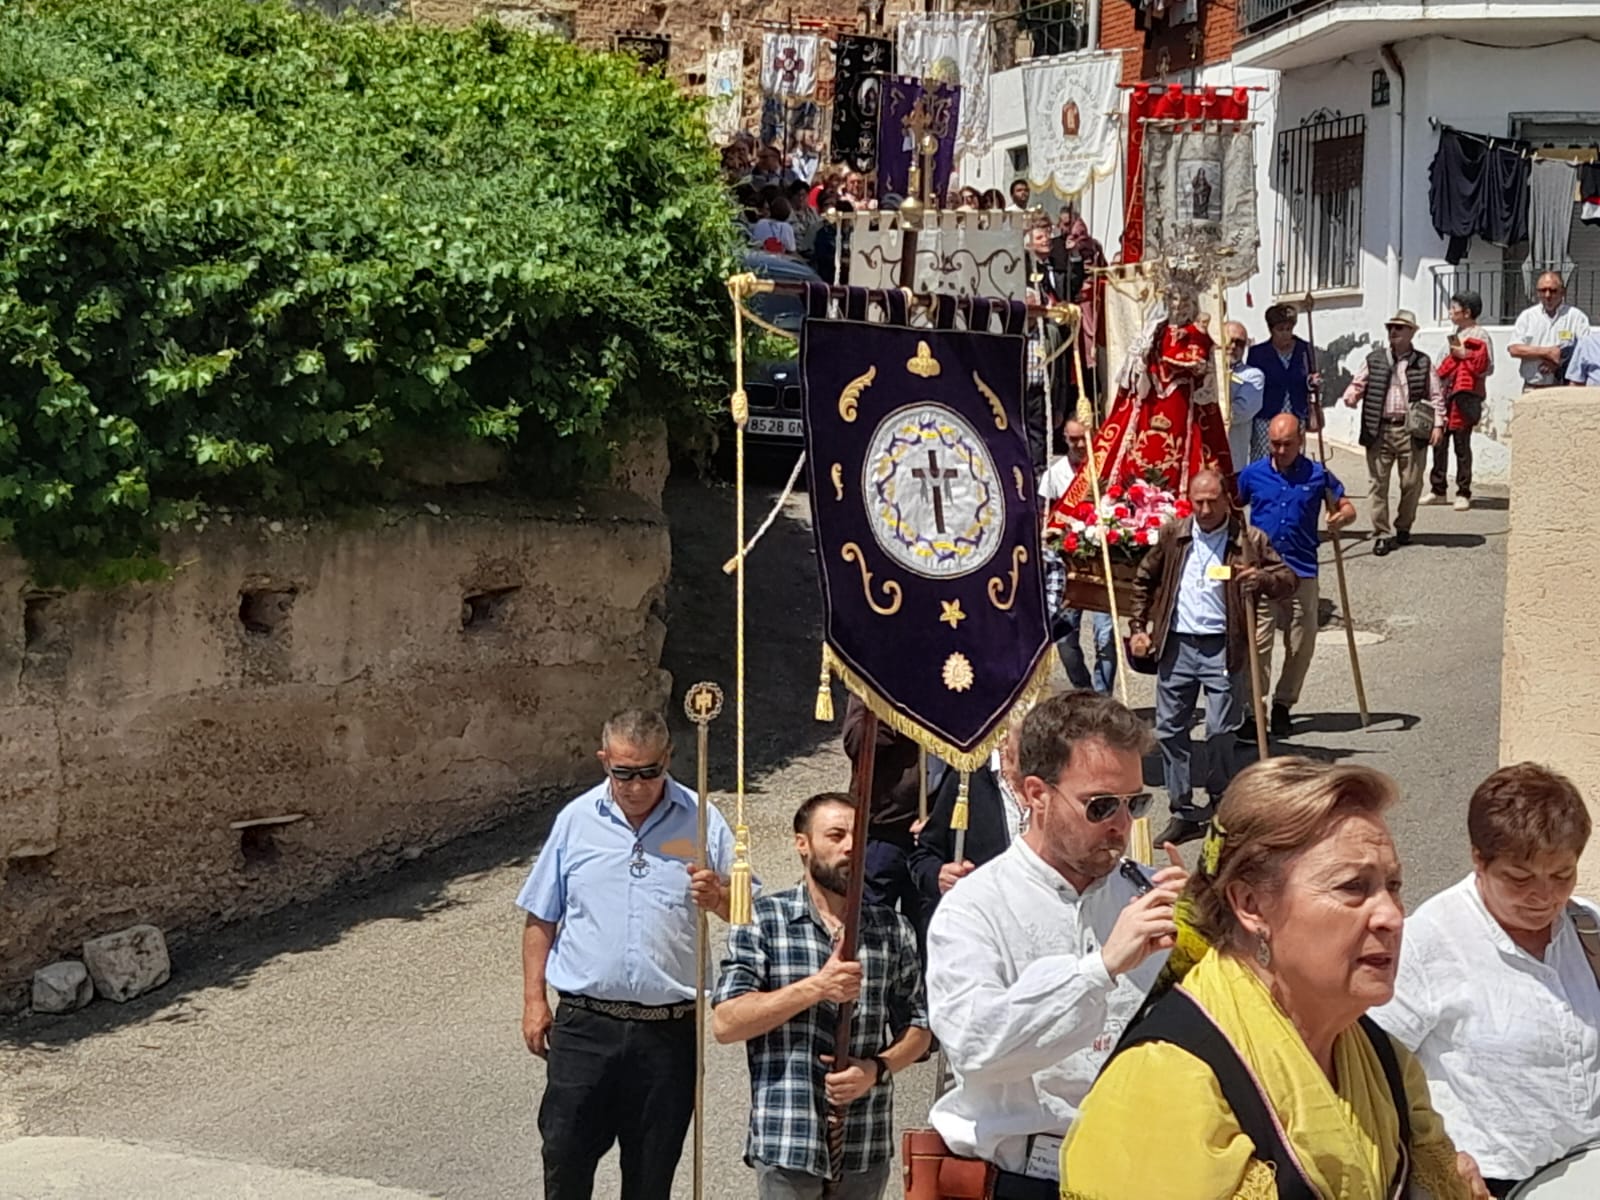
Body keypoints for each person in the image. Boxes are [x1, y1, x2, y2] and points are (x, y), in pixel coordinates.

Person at [1063, 758, 1487, 1200]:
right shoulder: (1166, 1086)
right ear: (1251, 905)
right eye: (1353, 887)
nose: (1392, 916)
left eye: (1393, 886)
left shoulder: (1385, 1061)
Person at [925, 691, 1188, 1197]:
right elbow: (976, 1046)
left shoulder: (1150, 895)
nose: (1121, 824)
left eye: (1135, 802)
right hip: (1025, 1178)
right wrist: (1100, 968)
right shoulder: (974, 908)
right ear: (1036, 795)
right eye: (1100, 805)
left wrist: (1218, 930)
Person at [517, 709, 734, 1200]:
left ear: (668, 760)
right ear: (604, 761)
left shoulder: (702, 820)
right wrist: (534, 1000)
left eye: (649, 772)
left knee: (651, 1176)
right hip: (584, 1027)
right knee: (565, 1161)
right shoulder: (575, 821)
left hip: (669, 1031)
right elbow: (540, 916)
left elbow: (743, 912)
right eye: (624, 773)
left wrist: (717, 895)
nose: (636, 786)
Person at [1374, 763, 1600, 1196]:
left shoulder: (1588, 930)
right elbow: (1373, 1066)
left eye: (1561, 876)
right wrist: (1435, 1158)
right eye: (1519, 878)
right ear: (1479, 858)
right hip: (1487, 1183)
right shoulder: (1427, 943)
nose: (1545, 896)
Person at [713, 792, 930, 1200]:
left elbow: (919, 1027)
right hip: (788, 1138)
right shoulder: (765, 921)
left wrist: (875, 1069)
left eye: (857, 836)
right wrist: (817, 987)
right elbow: (726, 1022)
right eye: (835, 835)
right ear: (803, 844)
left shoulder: (892, 929)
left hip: (864, 1141)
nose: (850, 846)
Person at [1127, 469, 1294, 846]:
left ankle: (1219, 798)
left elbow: (1286, 578)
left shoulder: (1247, 539)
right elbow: (1144, 578)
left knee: (1220, 729)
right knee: (1170, 730)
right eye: (1197, 501)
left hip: (1223, 645)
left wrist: (1261, 580)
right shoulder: (1175, 535)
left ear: (1226, 500)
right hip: (1178, 644)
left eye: (1211, 501)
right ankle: (1182, 809)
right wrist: (1139, 627)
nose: (1203, 509)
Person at [1236, 413, 1357, 739]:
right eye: (1275, 443)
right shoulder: (1253, 474)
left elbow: (1347, 507)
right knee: (1257, 647)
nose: (1279, 450)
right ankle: (1255, 714)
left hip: (1302, 571)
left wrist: (1339, 519)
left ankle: (1283, 705)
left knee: (1301, 646)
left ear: (1300, 441)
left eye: (1287, 444)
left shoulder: (1318, 475)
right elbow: (1233, 507)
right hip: (1262, 573)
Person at [1340, 309, 1446, 557]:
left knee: (1412, 483)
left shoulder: (1423, 362)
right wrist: (1352, 395)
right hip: (1378, 429)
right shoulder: (1373, 358)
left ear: (1412, 332)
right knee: (1378, 484)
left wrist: (1439, 424)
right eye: (1390, 328)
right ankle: (1381, 534)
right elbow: (1358, 383)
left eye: (1399, 328)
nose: (1393, 332)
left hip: (1411, 431)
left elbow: (1436, 395)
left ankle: (1403, 526)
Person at [908, 714, 1028, 922]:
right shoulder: (968, 781)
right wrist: (940, 875)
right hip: (980, 922)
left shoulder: (1059, 783)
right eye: (1028, 742)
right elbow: (924, 857)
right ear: (1005, 738)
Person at [1040, 420, 1118, 696]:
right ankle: (1084, 692)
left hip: (1102, 565)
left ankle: (1102, 697)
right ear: (1065, 439)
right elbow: (1043, 517)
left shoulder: (1107, 469)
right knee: (1065, 638)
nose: (1080, 445)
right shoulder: (1053, 475)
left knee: (1106, 638)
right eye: (1073, 439)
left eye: (1084, 438)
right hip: (1066, 570)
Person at [842, 695, 925, 932]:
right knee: (868, 926)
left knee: (929, 931)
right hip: (883, 829)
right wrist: (898, 710)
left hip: (937, 833)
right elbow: (856, 741)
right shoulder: (874, 681)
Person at [1429, 289, 1494, 511]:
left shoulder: (1480, 335)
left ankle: (1463, 490)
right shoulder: (1455, 333)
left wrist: (1465, 356)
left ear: (1466, 312)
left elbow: (1486, 366)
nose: (1450, 312)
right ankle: (1438, 489)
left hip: (1464, 395)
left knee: (1461, 445)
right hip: (1446, 394)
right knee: (1439, 442)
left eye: (1454, 308)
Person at [1245, 303, 1321, 461]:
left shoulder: (1304, 349)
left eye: (1289, 329)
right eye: (1280, 330)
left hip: (1295, 412)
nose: (1286, 334)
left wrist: (1312, 382)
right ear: (1271, 330)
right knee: (1265, 457)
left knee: (1292, 456)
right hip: (1266, 415)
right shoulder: (1258, 353)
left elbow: (1309, 377)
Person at [1510, 270, 1589, 391]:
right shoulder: (1527, 317)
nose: (1547, 295)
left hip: (1564, 389)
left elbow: (1585, 351)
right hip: (1532, 388)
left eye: (1553, 290)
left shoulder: (1577, 317)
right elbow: (1514, 349)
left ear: (1563, 292)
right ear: (1537, 292)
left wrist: (1558, 362)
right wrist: (1547, 352)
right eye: (1543, 290)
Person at [1224, 321, 1265, 468]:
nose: (1233, 346)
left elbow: (1242, 411)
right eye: (1228, 340)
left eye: (1239, 343)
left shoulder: (1253, 376)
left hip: (1233, 457)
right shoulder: (1205, 372)